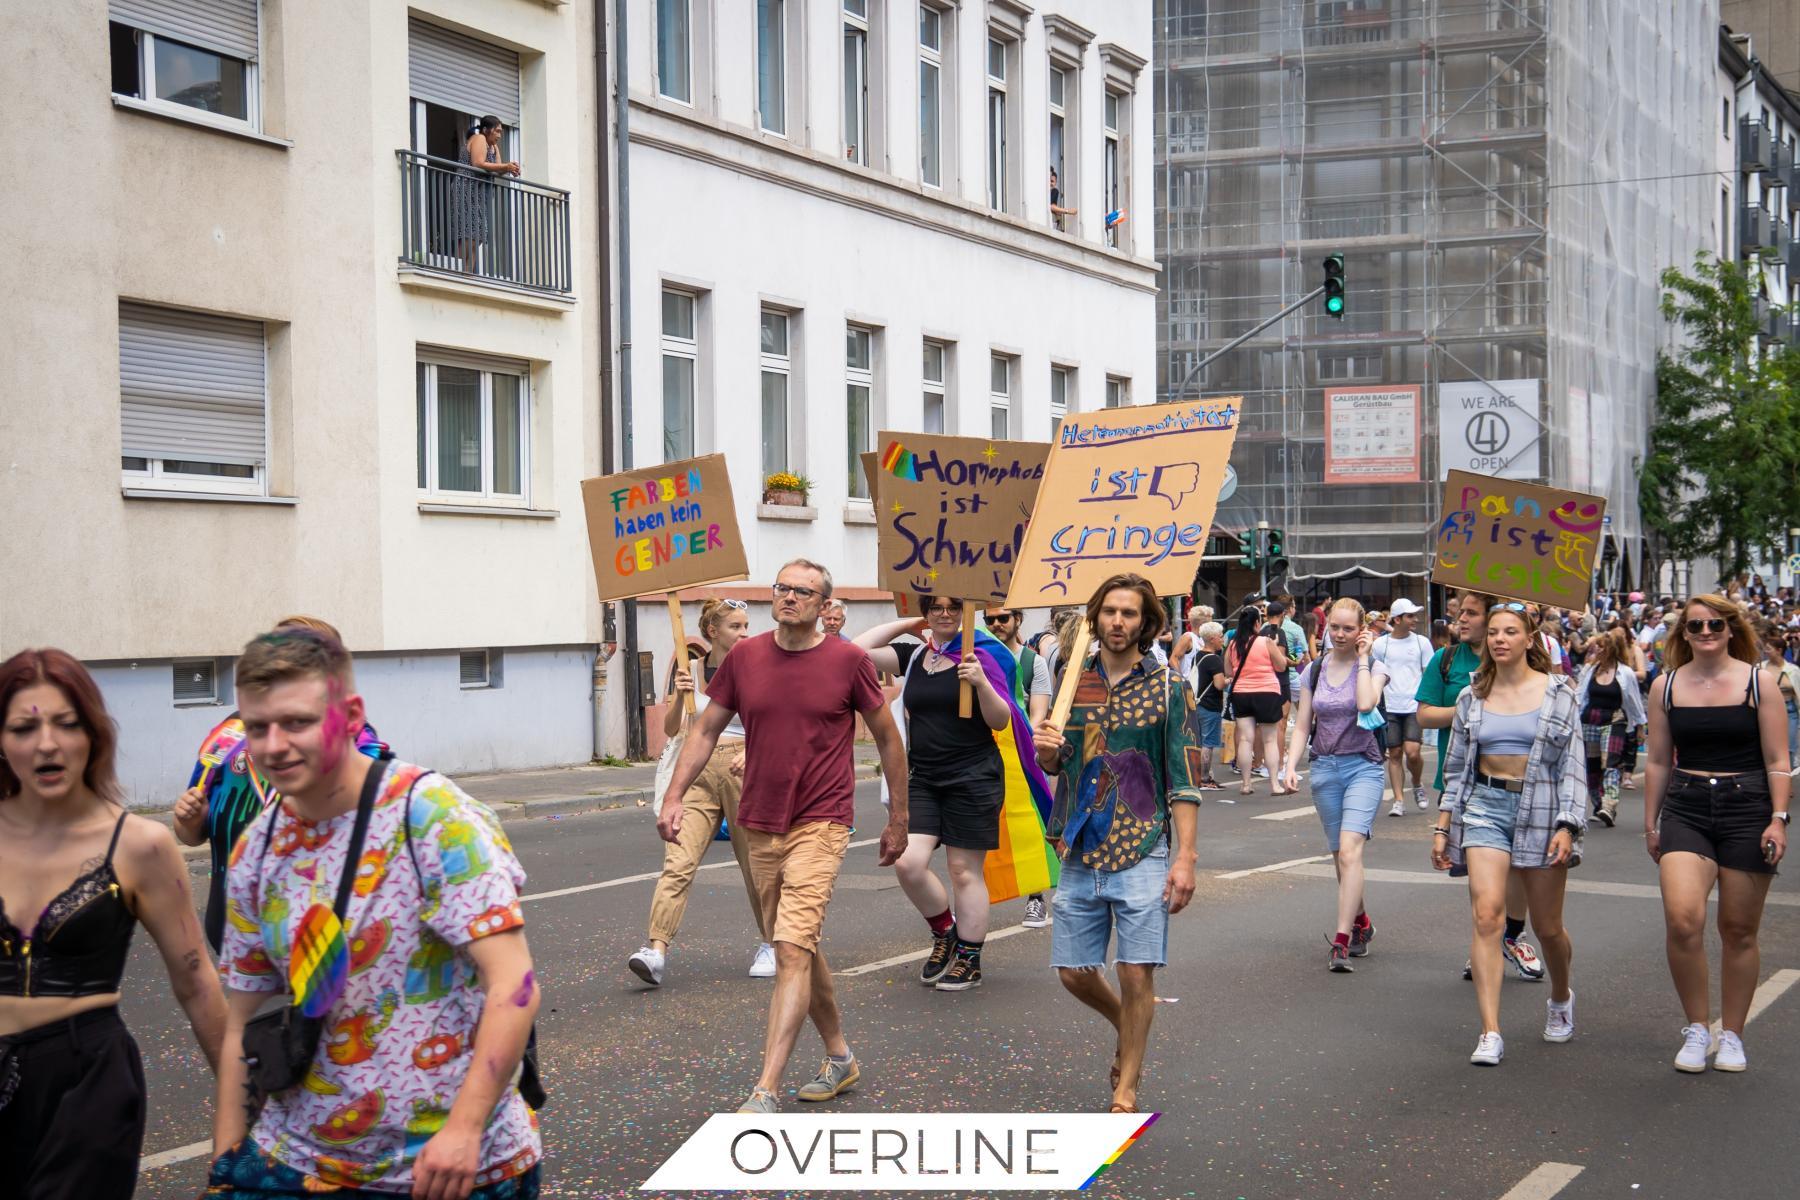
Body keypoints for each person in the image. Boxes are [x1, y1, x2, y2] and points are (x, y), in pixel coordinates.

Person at [209, 629, 541, 1197]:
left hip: (453, 1170)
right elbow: (242, 1019)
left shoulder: (430, 815)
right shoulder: (256, 850)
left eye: (297, 722)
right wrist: (225, 1166)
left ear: (350, 714)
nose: (274, 746)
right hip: (299, 1162)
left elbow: (514, 983)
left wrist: (463, 1130)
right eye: (257, 728)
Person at [661, 561, 909, 1114]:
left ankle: (764, 1089)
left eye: (802, 591)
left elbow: (889, 739)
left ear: (824, 605)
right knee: (794, 943)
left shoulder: (848, 661)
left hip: (822, 820)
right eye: (782, 588)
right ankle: (840, 1056)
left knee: (793, 948)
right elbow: (704, 730)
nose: (788, 597)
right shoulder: (745, 659)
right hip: (759, 819)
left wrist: (898, 818)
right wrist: (674, 794)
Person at [0, 649, 225, 1195]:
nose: (47, 743)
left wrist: (243, 1118)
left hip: (89, 1084)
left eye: (66, 723)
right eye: (24, 727)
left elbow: (196, 983)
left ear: (94, 735)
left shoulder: (140, 846)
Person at [1032, 574, 1202, 1113]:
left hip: (1142, 843)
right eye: (1109, 612)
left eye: (1129, 613)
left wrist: (1186, 858)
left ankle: (1126, 1086)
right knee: (1074, 973)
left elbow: (1183, 779)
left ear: (1146, 622)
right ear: (1095, 618)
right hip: (1080, 842)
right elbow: (1053, 763)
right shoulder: (1071, 680)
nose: (1118, 622)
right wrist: (1046, 748)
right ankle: (1129, 1025)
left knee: (1135, 969)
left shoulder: (1171, 687)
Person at [173, 614, 388, 956]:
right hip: (232, 926)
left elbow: (377, 823)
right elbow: (191, 833)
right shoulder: (228, 736)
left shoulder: (356, 740)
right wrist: (189, 820)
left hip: (322, 931)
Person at [1430, 602, 1585, 1066]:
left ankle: (1560, 997)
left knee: (1548, 927)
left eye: (1510, 631)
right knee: (1487, 916)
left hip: (1541, 808)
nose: (1499, 639)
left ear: (1528, 638)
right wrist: (1443, 825)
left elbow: (1574, 766)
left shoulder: (1560, 693)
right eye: (1493, 631)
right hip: (1485, 808)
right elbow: (1455, 768)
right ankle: (1490, 1031)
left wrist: (1568, 824)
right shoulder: (1471, 697)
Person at [1644, 595, 1791, 1073]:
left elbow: (1777, 761)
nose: (1705, 632)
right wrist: (1651, 822)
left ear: (1730, 630)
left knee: (1738, 930)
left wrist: (1779, 818)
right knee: (1683, 920)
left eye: (1714, 625)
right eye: (1695, 626)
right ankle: (1696, 1027)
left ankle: (1732, 1034)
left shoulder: (1758, 682)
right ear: (1682, 634)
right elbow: (1661, 760)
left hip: (1749, 807)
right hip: (1686, 805)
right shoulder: (1665, 686)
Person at [857, 598, 1021, 990]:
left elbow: (1001, 719)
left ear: (967, 610)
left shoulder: (986, 655)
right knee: (907, 862)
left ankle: (969, 957)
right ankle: (945, 931)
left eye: (953, 606)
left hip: (974, 775)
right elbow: (855, 650)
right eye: (936, 606)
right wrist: (908, 621)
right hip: (924, 777)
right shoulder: (914, 657)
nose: (944, 613)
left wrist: (980, 682)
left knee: (964, 870)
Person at [630, 598, 774, 987]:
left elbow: (774, 721)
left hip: (742, 768)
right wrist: (679, 695)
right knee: (678, 862)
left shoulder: (757, 667)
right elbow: (676, 728)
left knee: (756, 864)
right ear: (713, 632)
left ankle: (772, 944)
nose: (745, 633)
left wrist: (753, 751)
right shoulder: (690, 668)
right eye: (736, 627)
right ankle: (656, 950)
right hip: (696, 769)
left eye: (747, 625)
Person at [1417, 592, 1547, 984]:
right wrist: (1471, 706)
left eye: (1471, 613)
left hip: (1523, 787)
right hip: (1464, 781)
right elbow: (1423, 714)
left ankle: (1513, 933)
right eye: (1460, 614)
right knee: (1481, 878)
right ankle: (1486, 941)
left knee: (1519, 872)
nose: (1462, 621)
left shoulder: (1523, 656)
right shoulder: (1447, 661)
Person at [1281, 600, 1388, 970]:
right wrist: (1290, 765)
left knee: (1349, 851)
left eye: (1348, 629)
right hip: (1325, 767)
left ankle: (1341, 941)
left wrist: (1362, 659)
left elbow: (1364, 702)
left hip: (1364, 767)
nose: (1340, 635)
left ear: (1361, 630)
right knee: (1338, 856)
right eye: (1335, 628)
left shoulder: (1375, 667)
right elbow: (1304, 723)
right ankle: (1361, 922)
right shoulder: (1314, 670)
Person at [985, 605, 1056, 928]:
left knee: (1031, 824)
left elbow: (1038, 712)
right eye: (990, 620)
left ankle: (1035, 898)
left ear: (1018, 620)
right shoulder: (978, 656)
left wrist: (1022, 738)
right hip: (984, 750)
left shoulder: (1032, 662)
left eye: (1003, 618)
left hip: (1021, 750)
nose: (997, 624)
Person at [1574, 629, 1647, 828]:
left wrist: (1640, 727)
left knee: (1611, 763)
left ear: (1611, 650)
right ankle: (1598, 804)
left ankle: (1609, 804)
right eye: (1596, 645)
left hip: (1614, 720)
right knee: (1592, 768)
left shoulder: (1625, 673)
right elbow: (1579, 696)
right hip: (1590, 720)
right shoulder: (1589, 670)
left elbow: (1634, 701)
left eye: (1601, 646)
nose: (1597, 649)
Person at [1373, 598, 1434, 818]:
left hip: (1413, 706)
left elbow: (1428, 673)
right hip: (1389, 706)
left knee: (1413, 752)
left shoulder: (1422, 643)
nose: (1414, 620)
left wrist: (1428, 702)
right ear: (1397, 619)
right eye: (1410, 616)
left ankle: (1417, 783)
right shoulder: (1381, 645)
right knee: (1396, 753)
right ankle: (1398, 800)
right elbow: (1374, 673)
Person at [1223, 606, 1290, 796]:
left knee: (1245, 739)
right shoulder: (1266, 641)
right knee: (1269, 739)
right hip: (1267, 692)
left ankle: (1245, 784)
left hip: (1241, 694)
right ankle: (1275, 784)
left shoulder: (1233, 644)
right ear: (1257, 623)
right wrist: (1275, 646)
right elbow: (1281, 665)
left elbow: (1228, 671)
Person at [455, 116, 522, 272]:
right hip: (467, 188)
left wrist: (509, 169)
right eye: (497, 131)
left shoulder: (494, 147)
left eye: (501, 132)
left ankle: (467, 274)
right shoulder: (479, 138)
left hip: (480, 193)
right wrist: (506, 166)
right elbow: (477, 162)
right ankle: (457, 269)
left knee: (477, 235)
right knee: (468, 233)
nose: (499, 135)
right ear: (486, 130)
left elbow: (497, 169)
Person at [1188, 622, 1228, 794]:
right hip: (1211, 705)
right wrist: (1229, 680)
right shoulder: (1214, 659)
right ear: (1212, 639)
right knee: (1208, 743)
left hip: (1197, 704)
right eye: (1220, 637)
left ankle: (1196, 776)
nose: (1222, 640)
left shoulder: (1198, 656)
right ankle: (1204, 778)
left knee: (1199, 741)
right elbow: (1219, 684)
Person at [1758, 624, 1800, 769]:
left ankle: (1787, 783)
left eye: (1768, 649)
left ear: (1779, 650)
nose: (1765, 651)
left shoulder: (1793, 670)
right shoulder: (1760, 668)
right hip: (1766, 710)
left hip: (1789, 710)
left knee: (1789, 747)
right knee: (1769, 746)